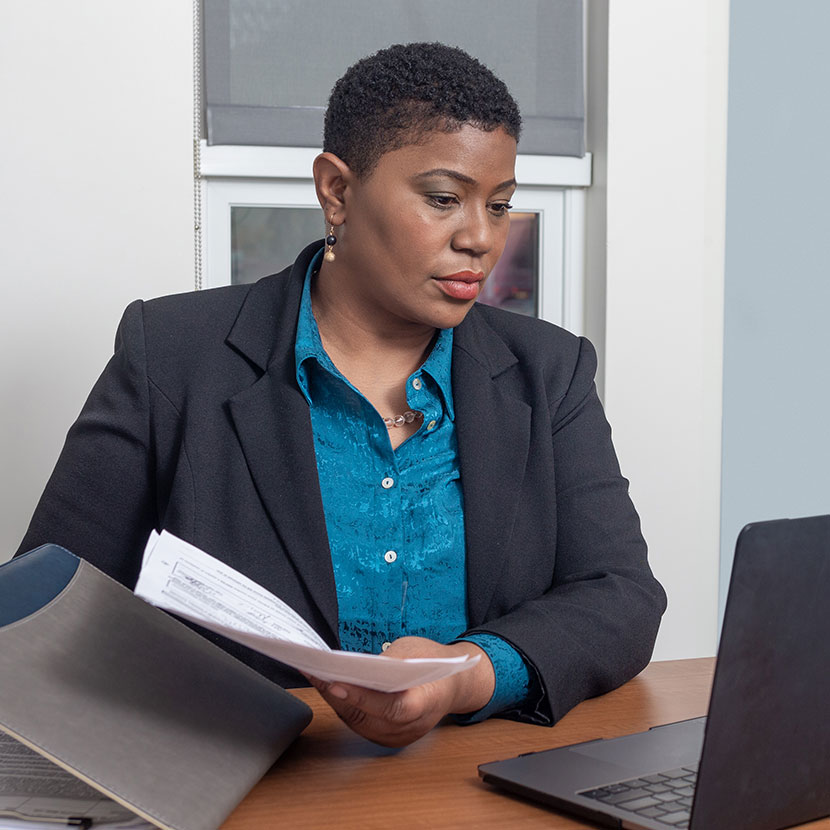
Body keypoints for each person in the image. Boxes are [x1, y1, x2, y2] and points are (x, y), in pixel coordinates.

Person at [17, 43, 666, 747]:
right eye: (444, 199)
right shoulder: (172, 356)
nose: (482, 238)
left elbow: (620, 594)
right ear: (337, 191)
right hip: (237, 785)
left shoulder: (549, 370)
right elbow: (44, 610)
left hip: (475, 787)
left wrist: (471, 672)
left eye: (500, 205)